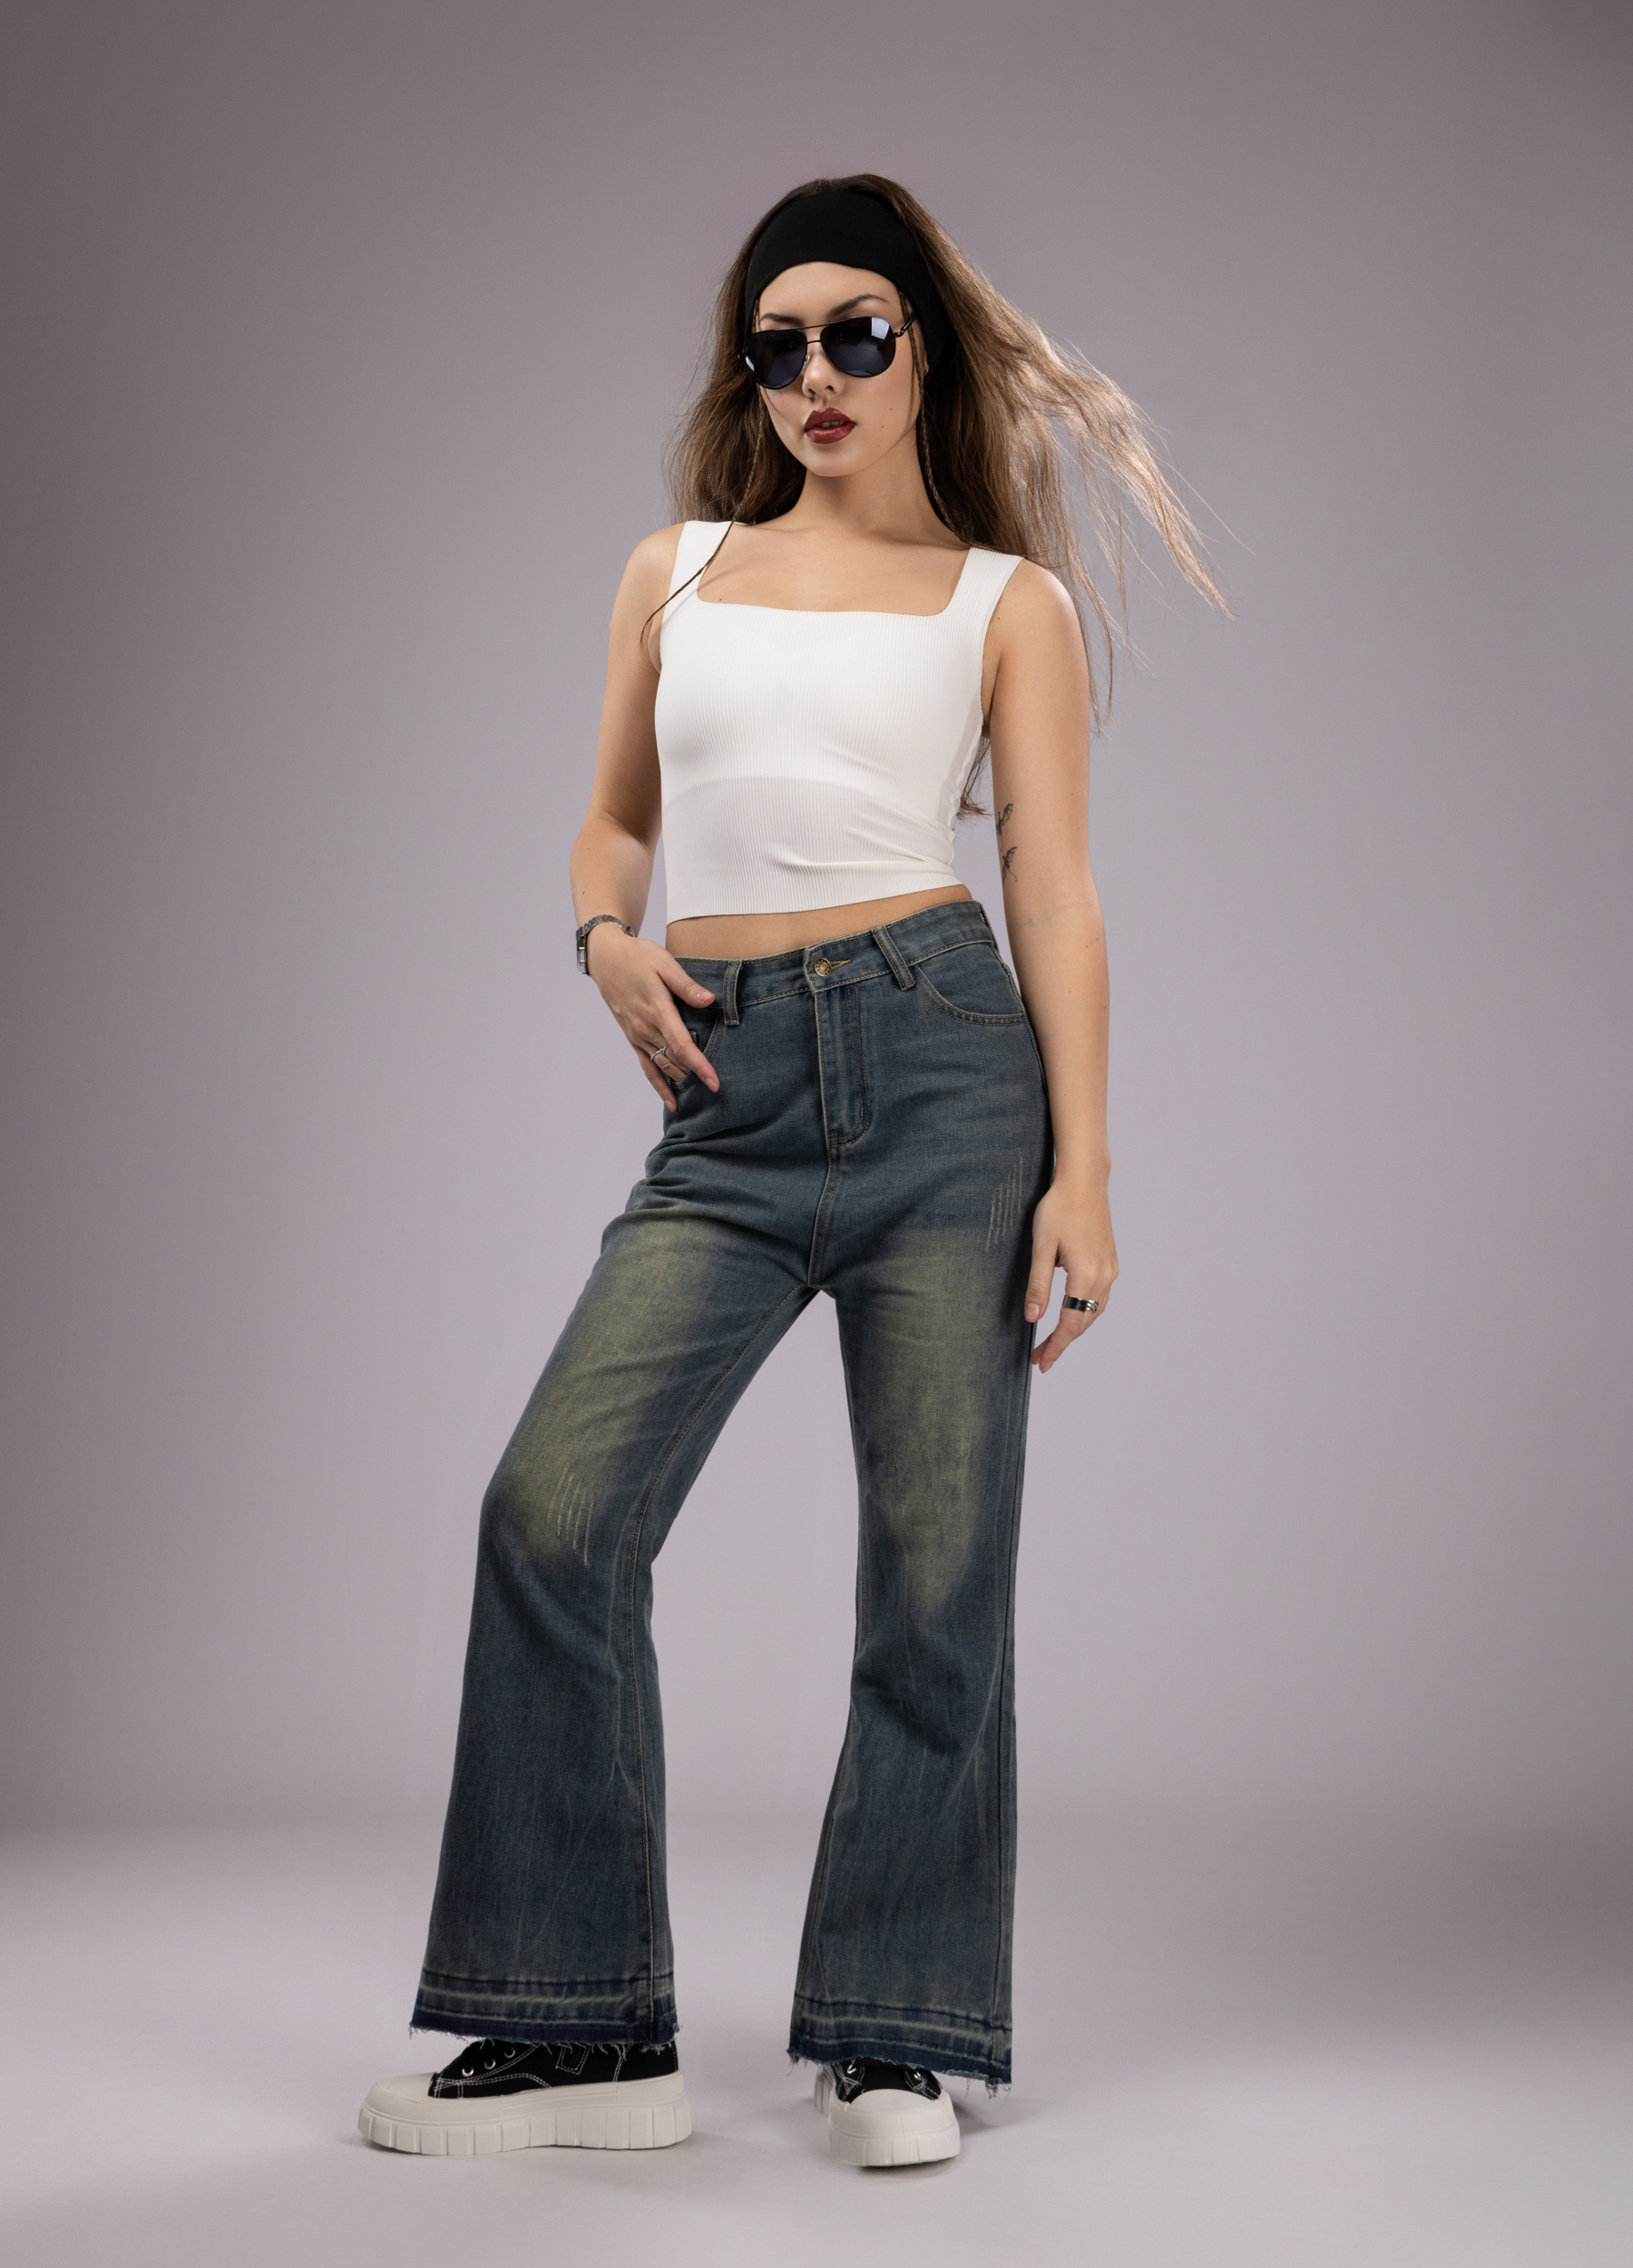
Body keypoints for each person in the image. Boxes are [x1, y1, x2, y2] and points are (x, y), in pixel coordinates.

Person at [359, 174, 1223, 2170]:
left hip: (946, 1073)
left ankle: (897, 2035)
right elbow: (610, 825)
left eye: (856, 334)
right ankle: (584, 2035)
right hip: (727, 1095)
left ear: (925, 347)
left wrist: (1087, 1169)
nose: (815, 374)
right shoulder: (672, 572)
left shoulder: (1004, 603)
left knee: (938, 1567)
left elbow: (1055, 890)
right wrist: (602, 938)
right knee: (550, 1514)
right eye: (776, 343)